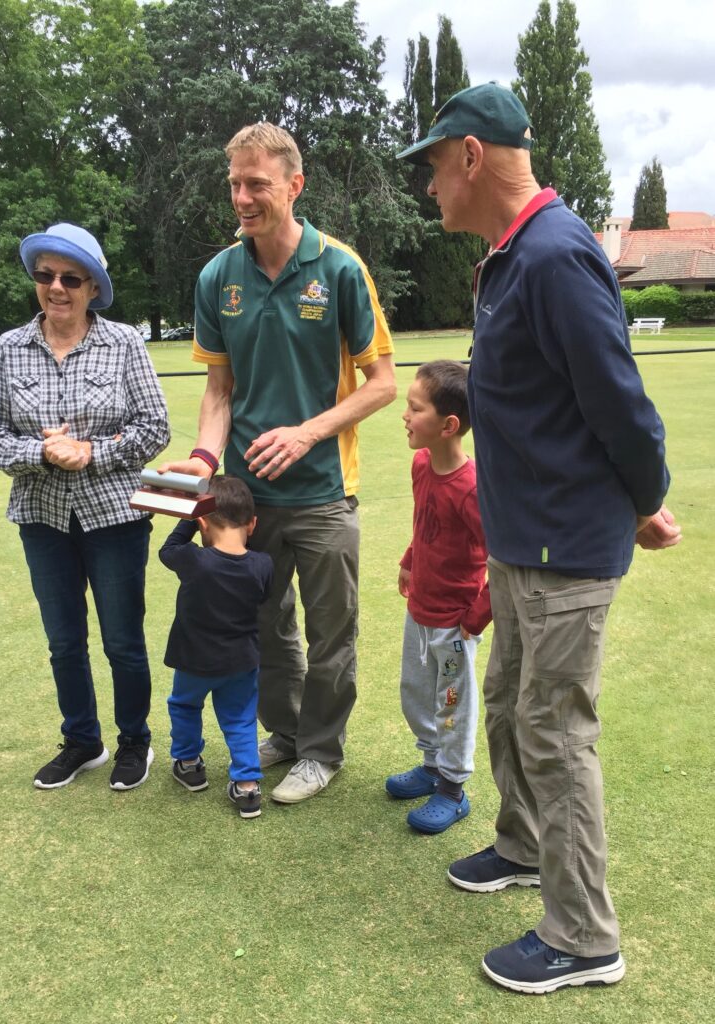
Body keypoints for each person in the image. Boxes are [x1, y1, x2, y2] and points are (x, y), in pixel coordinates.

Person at [397, 84, 681, 994]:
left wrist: (646, 498)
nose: (430, 187)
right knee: (515, 703)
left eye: (435, 167)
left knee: (555, 733)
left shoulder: (554, 255)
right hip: (525, 541)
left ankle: (585, 937)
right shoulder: (509, 257)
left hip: (565, 544)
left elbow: (619, 403)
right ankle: (522, 846)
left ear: (472, 156)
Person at [160, 122, 396, 804]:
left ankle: (321, 753)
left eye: (256, 183)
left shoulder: (340, 268)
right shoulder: (218, 276)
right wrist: (206, 457)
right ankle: (288, 734)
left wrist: (306, 434)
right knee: (261, 627)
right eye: (234, 183)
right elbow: (219, 389)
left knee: (332, 635)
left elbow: (381, 382)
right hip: (244, 502)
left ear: (294, 185)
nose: (242, 196)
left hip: (324, 492)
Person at [0, 223, 170, 791]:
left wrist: (91, 452)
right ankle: (82, 740)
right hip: (42, 517)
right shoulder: (9, 348)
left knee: (122, 641)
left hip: (115, 515)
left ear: (92, 287)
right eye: (44, 275)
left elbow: (154, 425)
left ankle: (135, 741)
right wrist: (41, 451)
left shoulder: (124, 343)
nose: (55, 287)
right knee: (64, 641)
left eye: (69, 278)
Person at [386, 360, 492, 835]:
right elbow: (424, 523)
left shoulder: (472, 490)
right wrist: (411, 558)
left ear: (449, 425)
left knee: (452, 706)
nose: (405, 415)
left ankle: (452, 788)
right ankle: (431, 766)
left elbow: (502, 559)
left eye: (414, 408)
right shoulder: (421, 463)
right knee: (416, 694)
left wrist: (476, 617)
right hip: (420, 611)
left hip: (455, 624)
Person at [159, 476, 273, 819]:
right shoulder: (262, 563)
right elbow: (265, 597)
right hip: (241, 661)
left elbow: (168, 550)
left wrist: (188, 519)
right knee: (240, 719)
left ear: (202, 522)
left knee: (184, 706)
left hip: (193, 660)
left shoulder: (195, 560)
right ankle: (248, 786)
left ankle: (190, 764)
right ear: (252, 524)